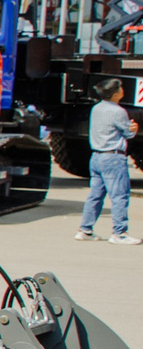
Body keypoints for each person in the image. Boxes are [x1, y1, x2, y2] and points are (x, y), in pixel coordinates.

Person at [74, 76, 136, 244]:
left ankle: (85, 229)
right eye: (121, 89)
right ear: (116, 94)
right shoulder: (118, 111)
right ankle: (119, 233)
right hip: (113, 157)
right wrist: (133, 129)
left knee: (95, 195)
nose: (123, 91)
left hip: (96, 156)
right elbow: (128, 132)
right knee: (119, 196)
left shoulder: (97, 108)